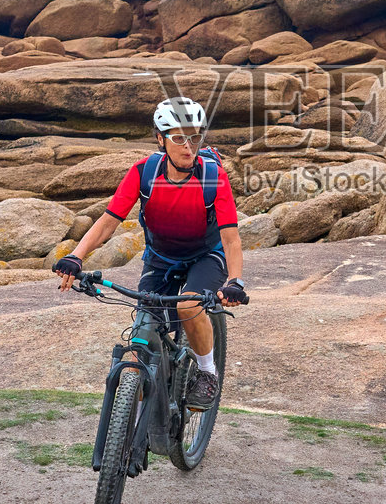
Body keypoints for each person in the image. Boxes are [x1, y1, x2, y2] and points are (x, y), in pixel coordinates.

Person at [53, 96, 246, 409]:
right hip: (161, 259)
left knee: (188, 306)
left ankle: (208, 373)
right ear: (160, 138)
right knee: (143, 328)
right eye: (179, 138)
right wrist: (76, 257)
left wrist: (235, 280)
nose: (189, 147)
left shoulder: (212, 176)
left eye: (195, 138)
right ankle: (132, 421)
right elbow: (107, 223)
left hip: (205, 256)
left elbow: (231, 238)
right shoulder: (144, 173)